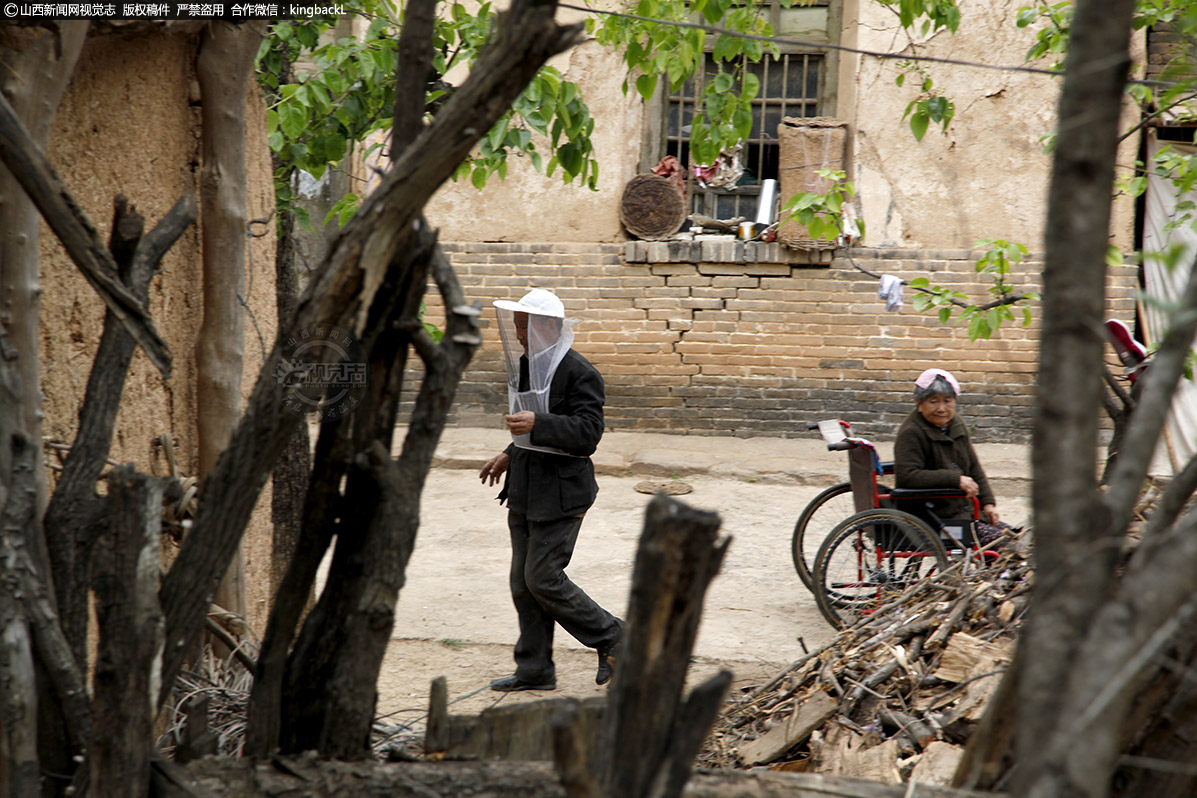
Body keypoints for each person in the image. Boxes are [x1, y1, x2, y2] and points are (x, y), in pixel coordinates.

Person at [479, 288, 624, 692]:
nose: (519, 335)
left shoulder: (580, 372)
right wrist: (510, 452)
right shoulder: (528, 364)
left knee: (542, 577)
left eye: (524, 327)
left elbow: (588, 433)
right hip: (526, 489)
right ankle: (535, 669)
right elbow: (530, 425)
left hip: (561, 496)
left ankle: (614, 636)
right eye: (516, 327)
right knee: (523, 585)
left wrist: (537, 425)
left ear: (548, 326)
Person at [894, 368, 1013, 546]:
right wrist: (955, 479)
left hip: (967, 513)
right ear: (919, 403)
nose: (941, 409)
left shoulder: (956, 424)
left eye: (947, 401)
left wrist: (987, 504)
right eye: (933, 401)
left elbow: (973, 467)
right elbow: (907, 476)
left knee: (1018, 539)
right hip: (937, 519)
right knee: (1006, 546)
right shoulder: (911, 432)